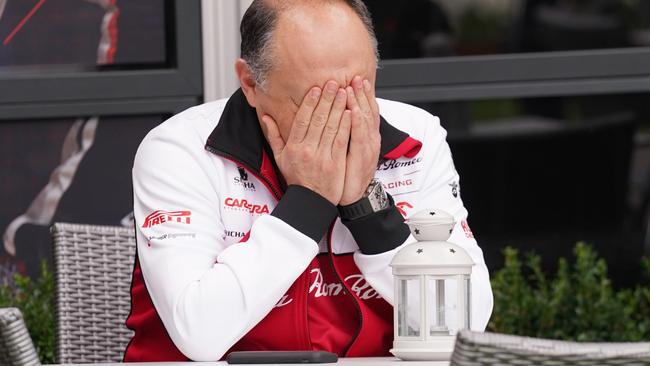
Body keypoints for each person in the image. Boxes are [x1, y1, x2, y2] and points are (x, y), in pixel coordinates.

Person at [123, 0, 493, 362]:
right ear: (250, 83)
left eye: (359, 91)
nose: (342, 119)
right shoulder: (179, 149)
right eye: (314, 103)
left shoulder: (418, 137)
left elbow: (463, 324)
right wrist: (307, 201)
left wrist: (369, 208)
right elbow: (200, 334)